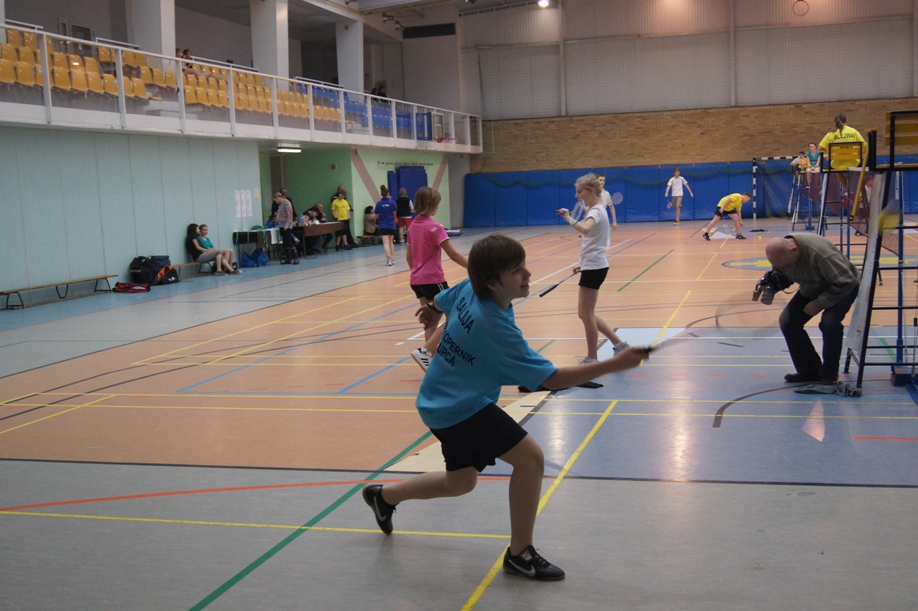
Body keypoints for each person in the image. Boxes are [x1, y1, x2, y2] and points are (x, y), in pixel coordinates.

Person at [361, 233, 650, 581]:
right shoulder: (494, 328)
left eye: (523, 265)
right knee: (531, 460)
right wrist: (612, 364)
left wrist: (431, 309)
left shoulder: (471, 288)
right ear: (493, 282)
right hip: (458, 409)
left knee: (460, 482)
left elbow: (443, 298)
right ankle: (520, 554)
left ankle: (384, 496)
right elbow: (552, 379)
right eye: (516, 270)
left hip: (441, 399)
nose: (527, 274)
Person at [764, 234, 859, 385]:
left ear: (794, 249)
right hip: (813, 284)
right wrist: (773, 285)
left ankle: (829, 375)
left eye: (786, 265)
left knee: (829, 323)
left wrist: (819, 304)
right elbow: (785, 273)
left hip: (843, 286)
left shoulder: (821, 254)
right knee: (788, 321)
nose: (784, 268)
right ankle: (810, 371)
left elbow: (847, 282)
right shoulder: (784, 255)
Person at [556, 173, 630, 365]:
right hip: (593, 264)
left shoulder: (596, 211)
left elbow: (585, 229)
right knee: (586, 313)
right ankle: (620, 345)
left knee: (585, 314)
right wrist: (584, 264)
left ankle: (592, 358)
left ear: (590, 191)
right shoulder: (597, 209)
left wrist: (568, 217)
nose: (576, 196)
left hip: (595, 266)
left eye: (579, 191)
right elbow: (595, 242)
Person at [406, 187, 467, 370]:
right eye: (437, 204)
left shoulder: (413, 226)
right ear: (432, 205)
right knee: (454, 317)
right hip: (433, 280)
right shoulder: (436, 227)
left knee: (430, 320)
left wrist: (418, 273)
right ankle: (426, 351)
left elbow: (409, 257)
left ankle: (431, 360)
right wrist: (475, 268)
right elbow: (453, 255)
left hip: (416, 280)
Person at [818, 113, 866, 196]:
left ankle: (847, 190)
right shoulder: (853, 131)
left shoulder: (831, 133)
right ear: (847, 120)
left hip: (837, 163)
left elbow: (819, 148)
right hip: (853, 162)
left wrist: (828, 151)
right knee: (853, 170)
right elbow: (864, 146)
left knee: (839, 171)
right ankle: (849, 190)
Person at [374, 186, 398, 266]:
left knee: (385, 243)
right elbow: (394, 212)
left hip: (383, 225)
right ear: (388, 194)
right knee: (391, 242)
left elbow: (376, 215)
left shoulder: (379, 203)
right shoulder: (393, 203)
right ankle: (392, 258)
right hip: (391, 225)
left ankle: (388, 260)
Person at [273, 192, 298, 264]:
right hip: (281, 225)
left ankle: (295, 258)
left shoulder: (286, 202)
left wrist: (287, 225)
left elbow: (289, 214)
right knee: (285, 242)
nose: (275, 202)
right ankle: (288, 258)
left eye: (275, 200)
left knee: (289, 241)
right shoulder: (281, 204)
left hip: (286, 225)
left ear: (278, 198)